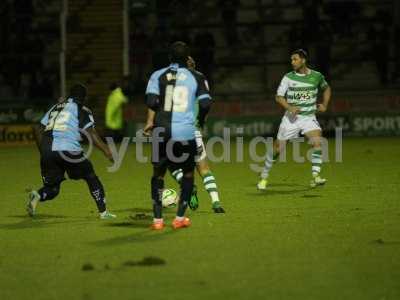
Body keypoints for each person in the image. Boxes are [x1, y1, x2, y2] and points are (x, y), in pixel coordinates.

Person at [144, 41, 212, 230]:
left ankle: (157, 221)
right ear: (187, 57)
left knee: (158, 175)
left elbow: (150, 101)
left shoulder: (157, 75)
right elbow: (206, 104)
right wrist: (201, 119)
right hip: (185, 131)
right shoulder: (197, 76)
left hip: (161, 130)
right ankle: (180, 218)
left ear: (170, 57)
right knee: (189, 173)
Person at [27, 84, 116, 219]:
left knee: (53, 189)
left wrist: (44, 151)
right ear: (83, 98)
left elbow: (37, 129)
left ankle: (38, 195)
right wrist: (107, 150)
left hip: (48, 149)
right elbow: (90, 132)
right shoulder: (81, 109)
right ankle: (103, 212)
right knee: (91, 176)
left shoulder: (55, 107)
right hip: (68, 148)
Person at [257, 49, 331, 189]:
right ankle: (264, 175)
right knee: (278, 149)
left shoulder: (317, 76)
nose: (292, 62)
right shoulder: (288, 77)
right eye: (291, 60)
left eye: (295, 59)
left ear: (303, 60)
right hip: (291, 119)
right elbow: (278, 97)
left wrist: (325, 105)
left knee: (317, 141)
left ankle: (315, 176)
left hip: (308, 117)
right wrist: (289, 108)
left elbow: (326, 88)